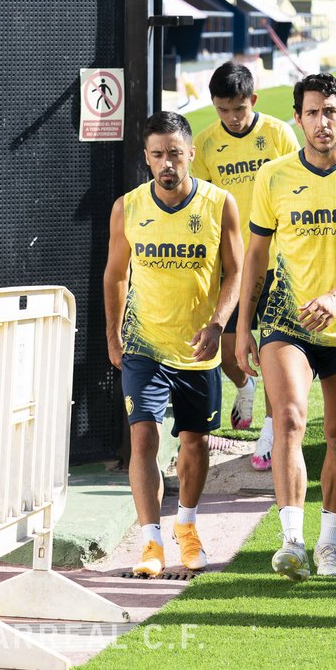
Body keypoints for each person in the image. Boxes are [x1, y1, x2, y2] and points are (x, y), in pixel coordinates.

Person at [236, 73, 336, 581]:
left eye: (329, 112)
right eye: (311, 113)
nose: (321, 122)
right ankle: (293, 541)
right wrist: (243, 327)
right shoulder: (274, 176)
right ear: (298, 119)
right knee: (289, 419)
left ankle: (329, 544)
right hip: (287, 320)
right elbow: (256, 256)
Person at [103, 110, 243, 578]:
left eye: (176, 154)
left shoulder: (219, 204)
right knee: (143, 437)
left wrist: (218, 324)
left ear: (191, 153)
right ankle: (151, 542)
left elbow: (236, 270)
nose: (168, 163)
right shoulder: (127, 207)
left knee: (195, 445)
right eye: (158, 154)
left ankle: (186, 524)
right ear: (146, 157)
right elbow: (115, 274)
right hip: (145, 344)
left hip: (198, 348)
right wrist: (114, 334)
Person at [193, 61, 301, 471]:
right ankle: (245, 386)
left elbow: (296, 189)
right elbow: (204, 206)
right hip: (233, 268)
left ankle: (269, 433)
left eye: (239, 108)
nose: (233, 118)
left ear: (253, 99)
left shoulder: (277, 134)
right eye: (223, 110)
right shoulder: (204, 144)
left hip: (276, 263)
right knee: (225, 352)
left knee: (274, 351)